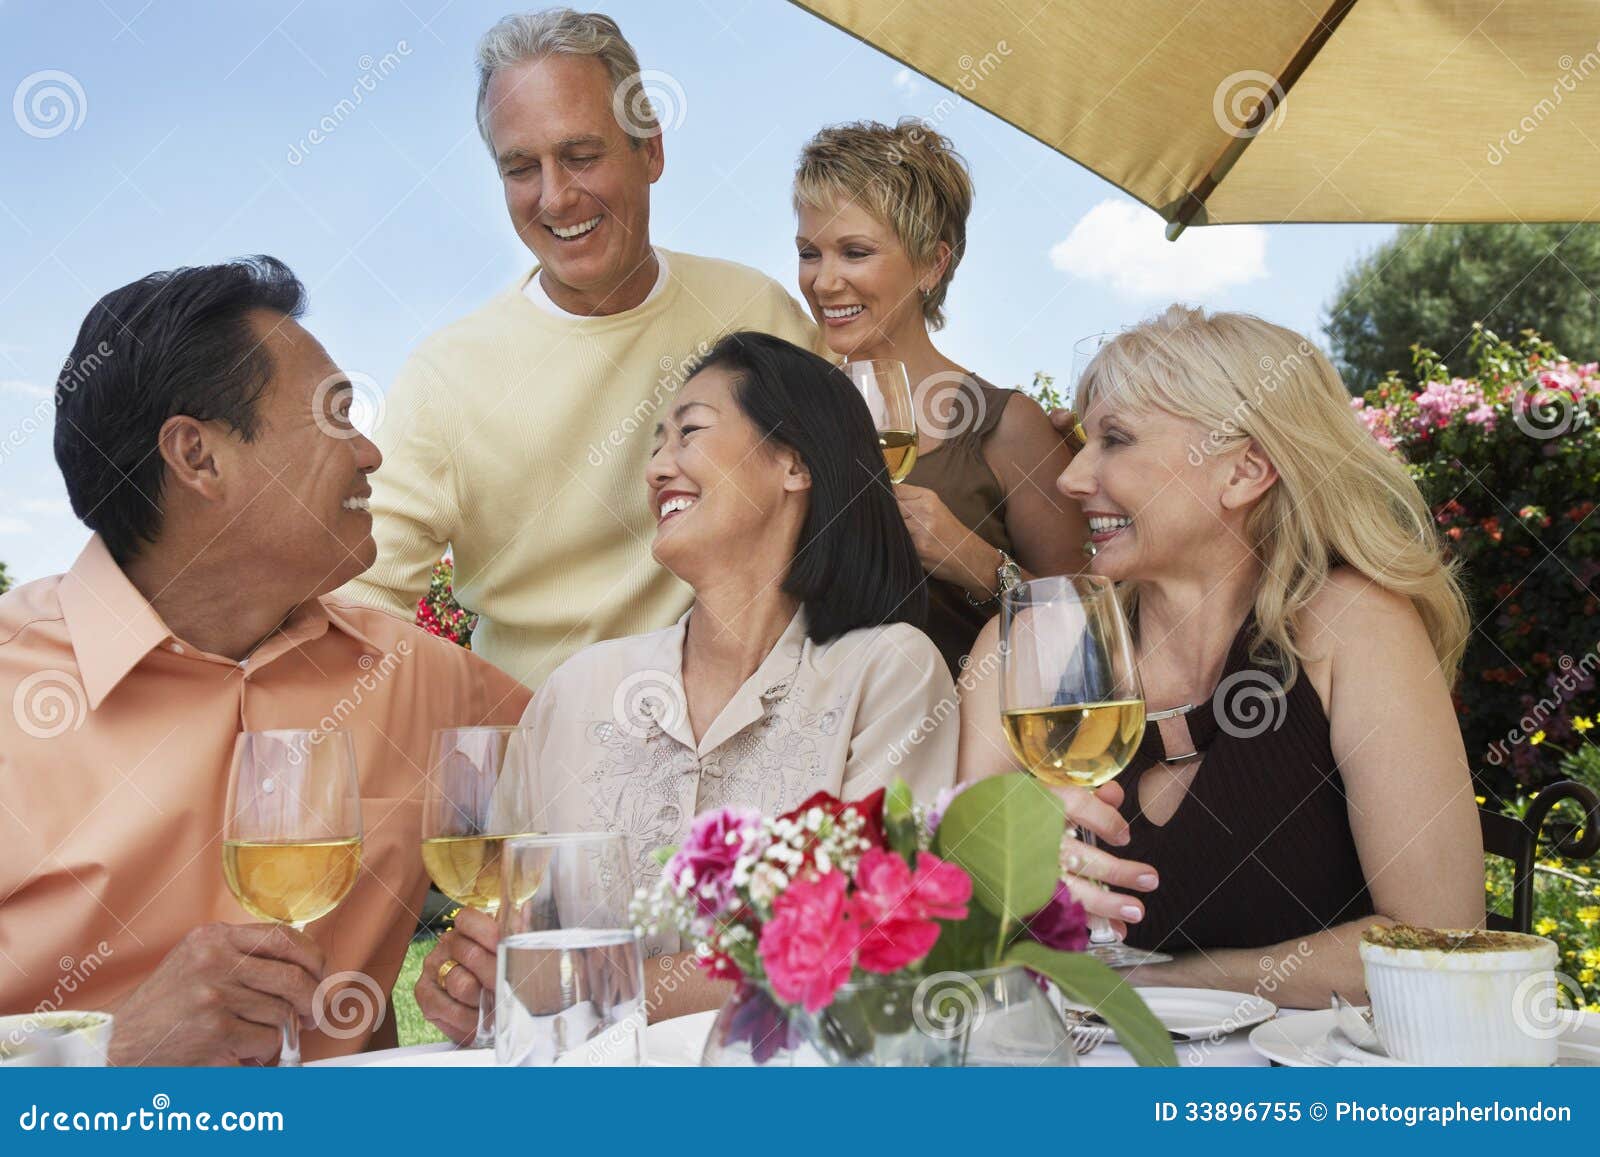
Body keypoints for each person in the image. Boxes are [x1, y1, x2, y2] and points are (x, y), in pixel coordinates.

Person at [0, 257, 531, 1065]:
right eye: (336, 416)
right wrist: (107, 1053)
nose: (372, 454)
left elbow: (634, 787)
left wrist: (514, 953)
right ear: (198, 457)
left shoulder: (417, 675)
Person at [419, 332, 959, 1030]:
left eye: (689, 433)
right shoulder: (577, 688)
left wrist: (580, 985)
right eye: (654, 445)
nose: (657, 468)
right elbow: (512, 953)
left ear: (794, 462)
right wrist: (474, 987)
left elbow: (858, 944)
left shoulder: (888, 672)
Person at [958, 305, 1484, 1007]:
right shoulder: (1030, 646)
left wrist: (1154, 984)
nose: (1071, 477)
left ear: (1244, 471)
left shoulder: (1353, 627)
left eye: (1115, 439)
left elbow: (1439, 939)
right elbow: (960, 923)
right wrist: (1009, 887)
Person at [338, 8, 823, 691]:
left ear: (650, 148)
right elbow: (358, 600)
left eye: (581, 155)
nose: (557, 198)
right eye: (521, 168)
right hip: (539, 765)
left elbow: (847, 512)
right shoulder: (448, 376)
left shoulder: (757, 313)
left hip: (762, 737)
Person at [793, 119, 1088, 676]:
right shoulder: (790, 417)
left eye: (855, 252)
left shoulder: (1009, 426)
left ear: (933, 263)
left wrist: (977, 563)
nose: (824, 282)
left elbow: (1088, 629)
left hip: (969, 750)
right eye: (810, 253)